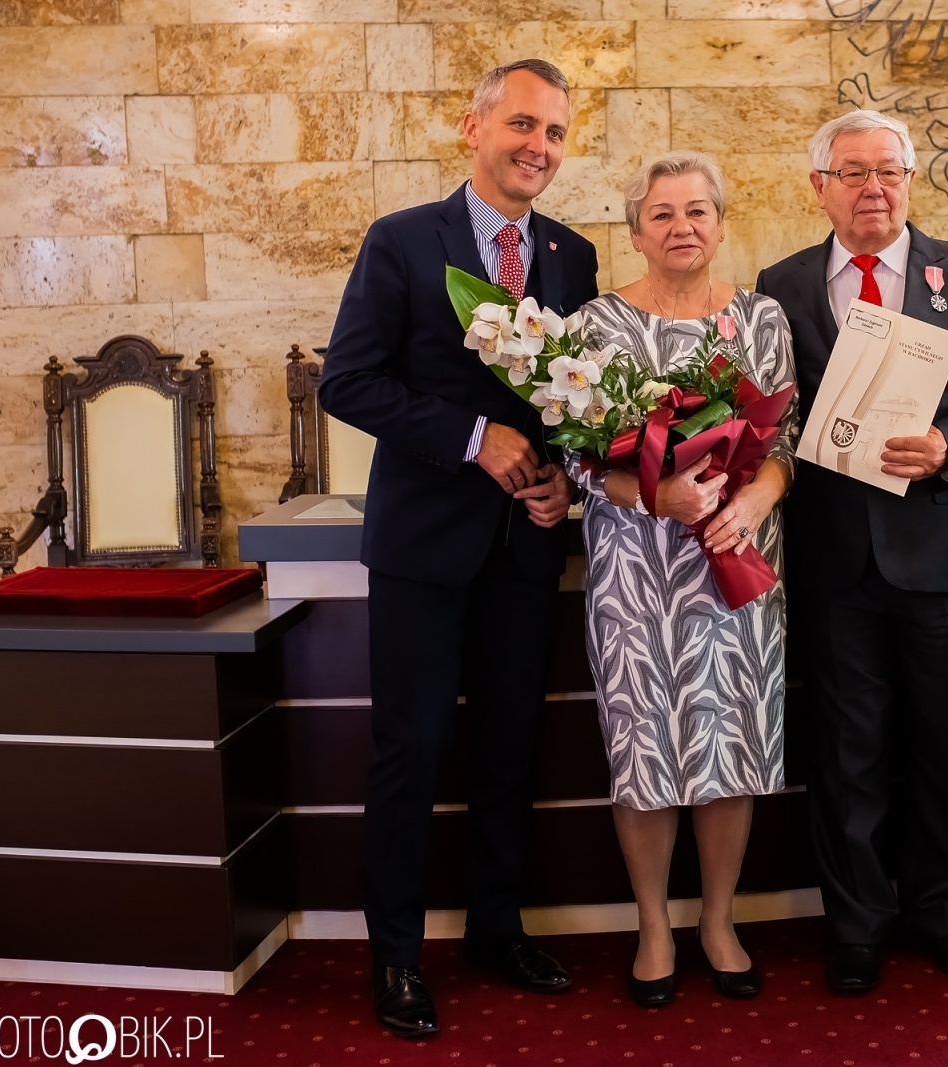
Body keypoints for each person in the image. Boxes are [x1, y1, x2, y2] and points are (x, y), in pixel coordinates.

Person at [318, 58, 600, 1038]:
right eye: (523, 124)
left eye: (557, 133)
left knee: (510, 749)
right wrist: (476, 439)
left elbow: (573, 403)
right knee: (413, 749)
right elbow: (345, 383)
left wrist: (563, 474)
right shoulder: (401, 242)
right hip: (422, 548)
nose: (539, 146)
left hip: (526, 551)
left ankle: (495, 926)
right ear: (471, 126)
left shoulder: (572, 256)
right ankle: (395, 955)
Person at [756, 111, 948, 995]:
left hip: (943, 553)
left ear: (912, 179)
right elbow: (773, 416)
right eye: (852, 172)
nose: (873, 187)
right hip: (835, 561)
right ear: (820, 187)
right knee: (848, 750)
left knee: (946, 746)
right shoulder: (782, 285)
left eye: (889, 170)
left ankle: (945, 912)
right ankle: (858, 922)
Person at [566, 151, 798, 1007]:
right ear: (634, 231)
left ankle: (719, 919)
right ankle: (656, 922)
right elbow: (581, 458)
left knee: (729, 740)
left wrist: (761, 500)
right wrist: (655, 494)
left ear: (722, 223)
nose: (681, 228)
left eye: (697, 212)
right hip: (635, 566)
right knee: (645, 746)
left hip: (734, 562)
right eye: (661, 214)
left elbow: (786, 443)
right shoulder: (596, 326)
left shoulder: (762, 318)